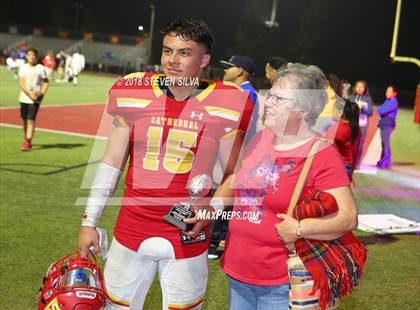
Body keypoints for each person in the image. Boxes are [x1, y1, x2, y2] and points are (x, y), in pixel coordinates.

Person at [78, 18, 253, 310]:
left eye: (184, 52)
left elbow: (236, 173)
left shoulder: (228, 101)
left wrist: (214, 207)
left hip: (187, 232)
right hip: (131, 228)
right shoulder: (133, 90)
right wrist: (89, 222)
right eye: (167, 50)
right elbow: (111, 163)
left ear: (204, 60)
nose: (172, 60)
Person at [197, 63, 358, 309]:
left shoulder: (322, 154)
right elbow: (236, 178)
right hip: (238, 271)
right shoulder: (263, 138)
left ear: (303, 109)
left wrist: (301, 228)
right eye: (269, 96)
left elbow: (348, 217)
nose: (268, 103)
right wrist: (213, 207)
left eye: (278, 99)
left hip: (281, 282)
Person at [206, 55, 259, 260]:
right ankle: (214, 238)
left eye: (229, 68)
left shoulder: (247, 94)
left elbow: (241, 129)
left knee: (226, 195)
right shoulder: (240, 92)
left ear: (239, 71)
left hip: (233, 153)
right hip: (225, 152)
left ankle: (215, 241)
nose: (225, 71)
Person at [18, 47, 49, 151]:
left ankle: (27, 141)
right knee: (24, 120)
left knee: (30, 120)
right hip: (24, 97)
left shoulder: (40, 68)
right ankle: (26, 136)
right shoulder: (23, 67)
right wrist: (29, 93)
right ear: (27, 56)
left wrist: (42, 93)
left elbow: (45, 81)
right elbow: (21, 83)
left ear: (36, 57)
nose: (32, 57)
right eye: (29, 54)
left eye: (33, 55)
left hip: (35, 98)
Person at [325, 99, 361, 181]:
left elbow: (326, 153)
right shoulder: (355, 128)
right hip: (348, 167)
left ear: (340, 112)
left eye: (333, 109)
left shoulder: (337, 129)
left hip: (338, 168)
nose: (332, 112)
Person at [349, 80, 373, 169]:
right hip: (352, 124)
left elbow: (370, 112)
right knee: (350, 143)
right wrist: (354, 107)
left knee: (359, 144)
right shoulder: (351, 98)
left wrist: (364, 107)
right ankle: (349, 161)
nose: (359, 88)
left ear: (365, 88)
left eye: (361, 87)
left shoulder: (367, 99)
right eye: (357, 86)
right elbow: (346, 111)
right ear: (355, 88)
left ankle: (357, 163)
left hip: (362, 125)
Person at [376, 85, 399, 169]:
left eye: (389, 91)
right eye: (386, 91)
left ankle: (385, 163)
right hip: (384, 123)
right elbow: (380, 109)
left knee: (385, 144)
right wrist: (382, 111)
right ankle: (383, 161)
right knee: (384, 143)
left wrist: (382, 111)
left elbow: (382, 110)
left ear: (394, 93)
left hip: (388, 124)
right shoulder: (387, 100)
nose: (387, 93)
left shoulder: (394, 101)